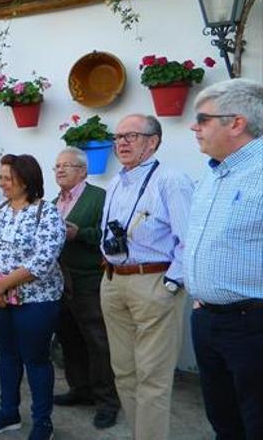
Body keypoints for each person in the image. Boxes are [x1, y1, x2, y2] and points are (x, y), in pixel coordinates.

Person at [99, 114, 193, 440]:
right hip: (113, 281)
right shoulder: (114, 182)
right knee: (123, 372)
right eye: (118, 136)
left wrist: (170, 284)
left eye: (132, 136)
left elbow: (188, 240)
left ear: (152, 142)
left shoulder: (171, 180)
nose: (121, 142)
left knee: (153, 376)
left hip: (153, 281)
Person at [185, 78, 263, 439]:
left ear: (236, 123)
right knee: (223, 421)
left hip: (251, 325)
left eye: (203, 119)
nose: (193, 126)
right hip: (207, 319)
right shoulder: (214, 173)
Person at [0, 154, 65, 440]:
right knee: (7, 355)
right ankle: (8, 412)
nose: (2, 183)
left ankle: (42, 422)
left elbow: (43, 260)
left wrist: (2, 286)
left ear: (26, 181)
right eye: (0, 177)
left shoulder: (46, 213)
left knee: (36, 359)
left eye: (7, 178)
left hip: (36, 301)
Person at [49, 147, 119, 429]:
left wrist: (81, 233)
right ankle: (80, 389)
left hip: (89, 281)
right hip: (60, 281)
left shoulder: (99, 197)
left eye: (67, 165)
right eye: (57, 166)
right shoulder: (54, 202)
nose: (60, 170)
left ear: (83, 171)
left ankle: (107, 402)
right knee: (69, 338)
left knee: (98, 342)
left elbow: (110, 234)